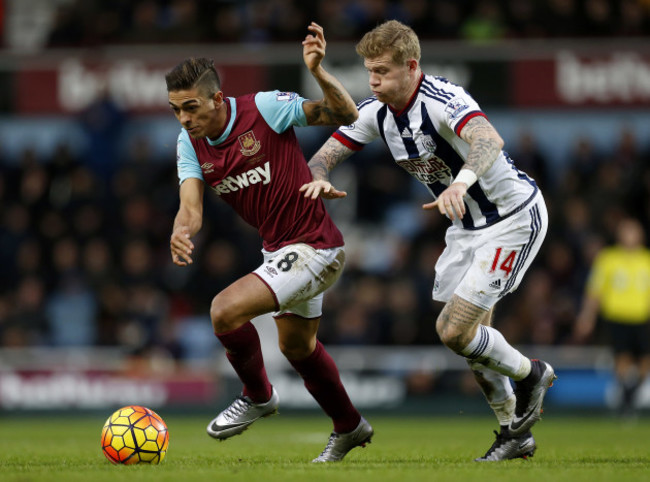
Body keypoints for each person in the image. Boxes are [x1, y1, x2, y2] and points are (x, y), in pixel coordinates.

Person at [300, 20, 555, 461]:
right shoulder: (377, 112)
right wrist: (320, 177)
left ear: (412, 66)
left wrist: (461, 182)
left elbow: (488, 138)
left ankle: (532, 373)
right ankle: (515, 434)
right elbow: (322, 156)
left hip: (511, 218)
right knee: (477, 344)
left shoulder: (443, 99)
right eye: (368, 71)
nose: (372, 80)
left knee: (454, 332)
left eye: (381, 71)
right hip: (465, 229)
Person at [165, 22, 373, 463]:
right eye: (175, 110)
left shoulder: (263, 109)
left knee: (224, 309)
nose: (184, 118)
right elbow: (191, 205)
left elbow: (346, 115)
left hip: (315, 246)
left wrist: (318, 71)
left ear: (217, 99)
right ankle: (350, 426)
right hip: (280, 251)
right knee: (297, 348)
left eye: (190, 107)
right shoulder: (190, 142)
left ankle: (257, 396)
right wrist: (182, 229)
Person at [574, 217, 650, 417]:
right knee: (622, 357)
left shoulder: (646, 259)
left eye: (633, 231)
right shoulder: (608, 258)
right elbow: (595, 291)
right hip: (617, 316)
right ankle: (626, 398)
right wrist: (586, 317)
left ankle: (630, 394)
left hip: (642, 316)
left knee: (645, 360)